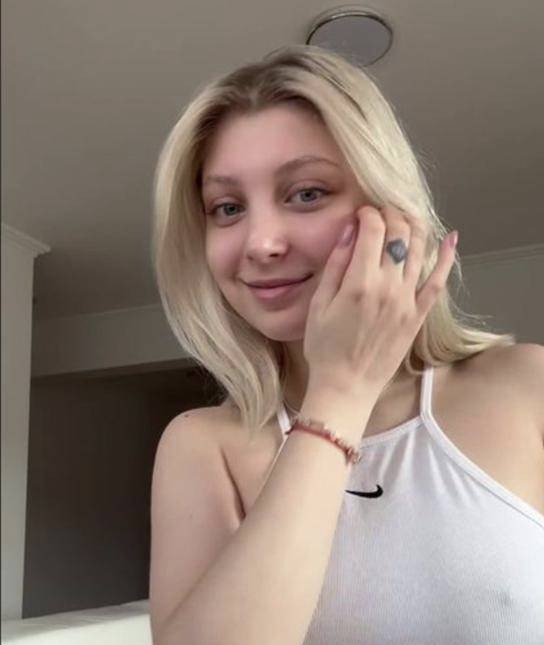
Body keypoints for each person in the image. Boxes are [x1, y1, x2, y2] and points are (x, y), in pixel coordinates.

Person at [149, 44, 544, 645]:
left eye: (306, 193)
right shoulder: (202, 446)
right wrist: (340, 392)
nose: (261, 243)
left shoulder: (527, 384)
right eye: (227, 207)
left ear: (392, 213)